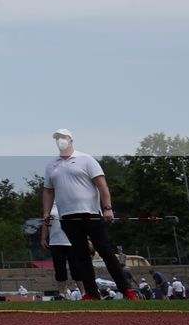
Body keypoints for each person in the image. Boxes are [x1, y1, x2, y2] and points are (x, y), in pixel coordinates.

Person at [38, 128, 138, 301]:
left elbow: (102, 185)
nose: (60, 140)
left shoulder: (86, 159)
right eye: (57, 138)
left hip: (90, 213)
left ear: (71, 140)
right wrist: (46, 212)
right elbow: (48, 191)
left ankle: (126, 290)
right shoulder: (51, 165)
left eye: (63, 137)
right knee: (80, 256)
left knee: (105, 252)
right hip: (67, 217)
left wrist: (107, 207)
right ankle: (91, 293)